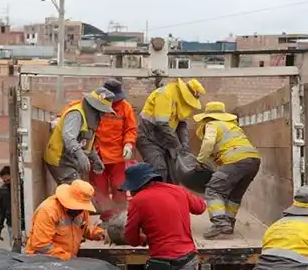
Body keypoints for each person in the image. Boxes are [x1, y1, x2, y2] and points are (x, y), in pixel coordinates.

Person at [121, 162, 207, 270]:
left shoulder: (137, 200)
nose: (130, 192)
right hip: (188, 259)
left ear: (138, 185)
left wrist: (143, 239)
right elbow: (200, 208)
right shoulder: (179, 190)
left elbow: (131, 239)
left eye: (130, 188)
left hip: (161, 263)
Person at [193, 101, 261, 239]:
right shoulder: (233, 126)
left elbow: (208, 143)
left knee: (213, 190)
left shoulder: (212, 124)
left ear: (207, 116)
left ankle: (219, 223)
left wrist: (200, 161)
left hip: (235, 161)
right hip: (253, 161)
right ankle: (228, 222)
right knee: (235, 194)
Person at [135, 78, 205, 184]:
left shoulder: (182, 103)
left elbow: (182, 125)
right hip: (148, 136)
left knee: (174, 175)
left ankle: (171, 197)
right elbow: (162, 124)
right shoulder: (165, 94)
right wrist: (177, 146)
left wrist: (184, 146)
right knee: (159, 169)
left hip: (165, 139)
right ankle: (157, 197)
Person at [44, 88, 117, 185]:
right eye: (102, 110)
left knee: (75, 191)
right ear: (94, 107)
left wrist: (95, 158)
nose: (103, 114)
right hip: (60, 160)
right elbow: (68, 137)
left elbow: (87, 142)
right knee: (76, 192)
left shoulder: (91, 119)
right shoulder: (76, 114)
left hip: (71, 161)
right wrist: (80, 154)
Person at [90, 79, 138, 222]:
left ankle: (120, 218)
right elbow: (75, 108)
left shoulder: (125, 107)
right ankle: (107, 219)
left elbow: (131, 129)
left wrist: (128, 144)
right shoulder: (94, 103)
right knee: (100, 190)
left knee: (119, 186)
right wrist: (61, 118)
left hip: (117, 156)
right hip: (97, 155)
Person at [24, 179, 107, 260]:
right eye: (77, 206)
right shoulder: (48, 211)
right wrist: (69, 259)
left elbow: (83, 228)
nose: (79, 211)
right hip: (41, 262)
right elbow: (41, 247)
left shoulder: (81, 211)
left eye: (81, 207)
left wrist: (96, 233)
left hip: (66, 261)